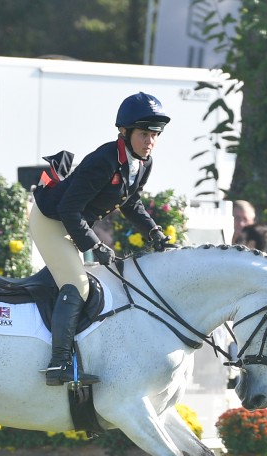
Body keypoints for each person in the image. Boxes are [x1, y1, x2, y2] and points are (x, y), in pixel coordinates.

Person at [29, 91, 171, 385]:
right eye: (144, 134)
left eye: (155, 135)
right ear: (124, 131)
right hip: (51, 220)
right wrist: (94, 245)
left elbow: (131, 203)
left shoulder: (144, 163)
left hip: (71, 221)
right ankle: (58, 365)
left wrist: (154, 231)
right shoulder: (103, 160)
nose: (150, 141)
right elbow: (69, 209)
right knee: (78, 285)